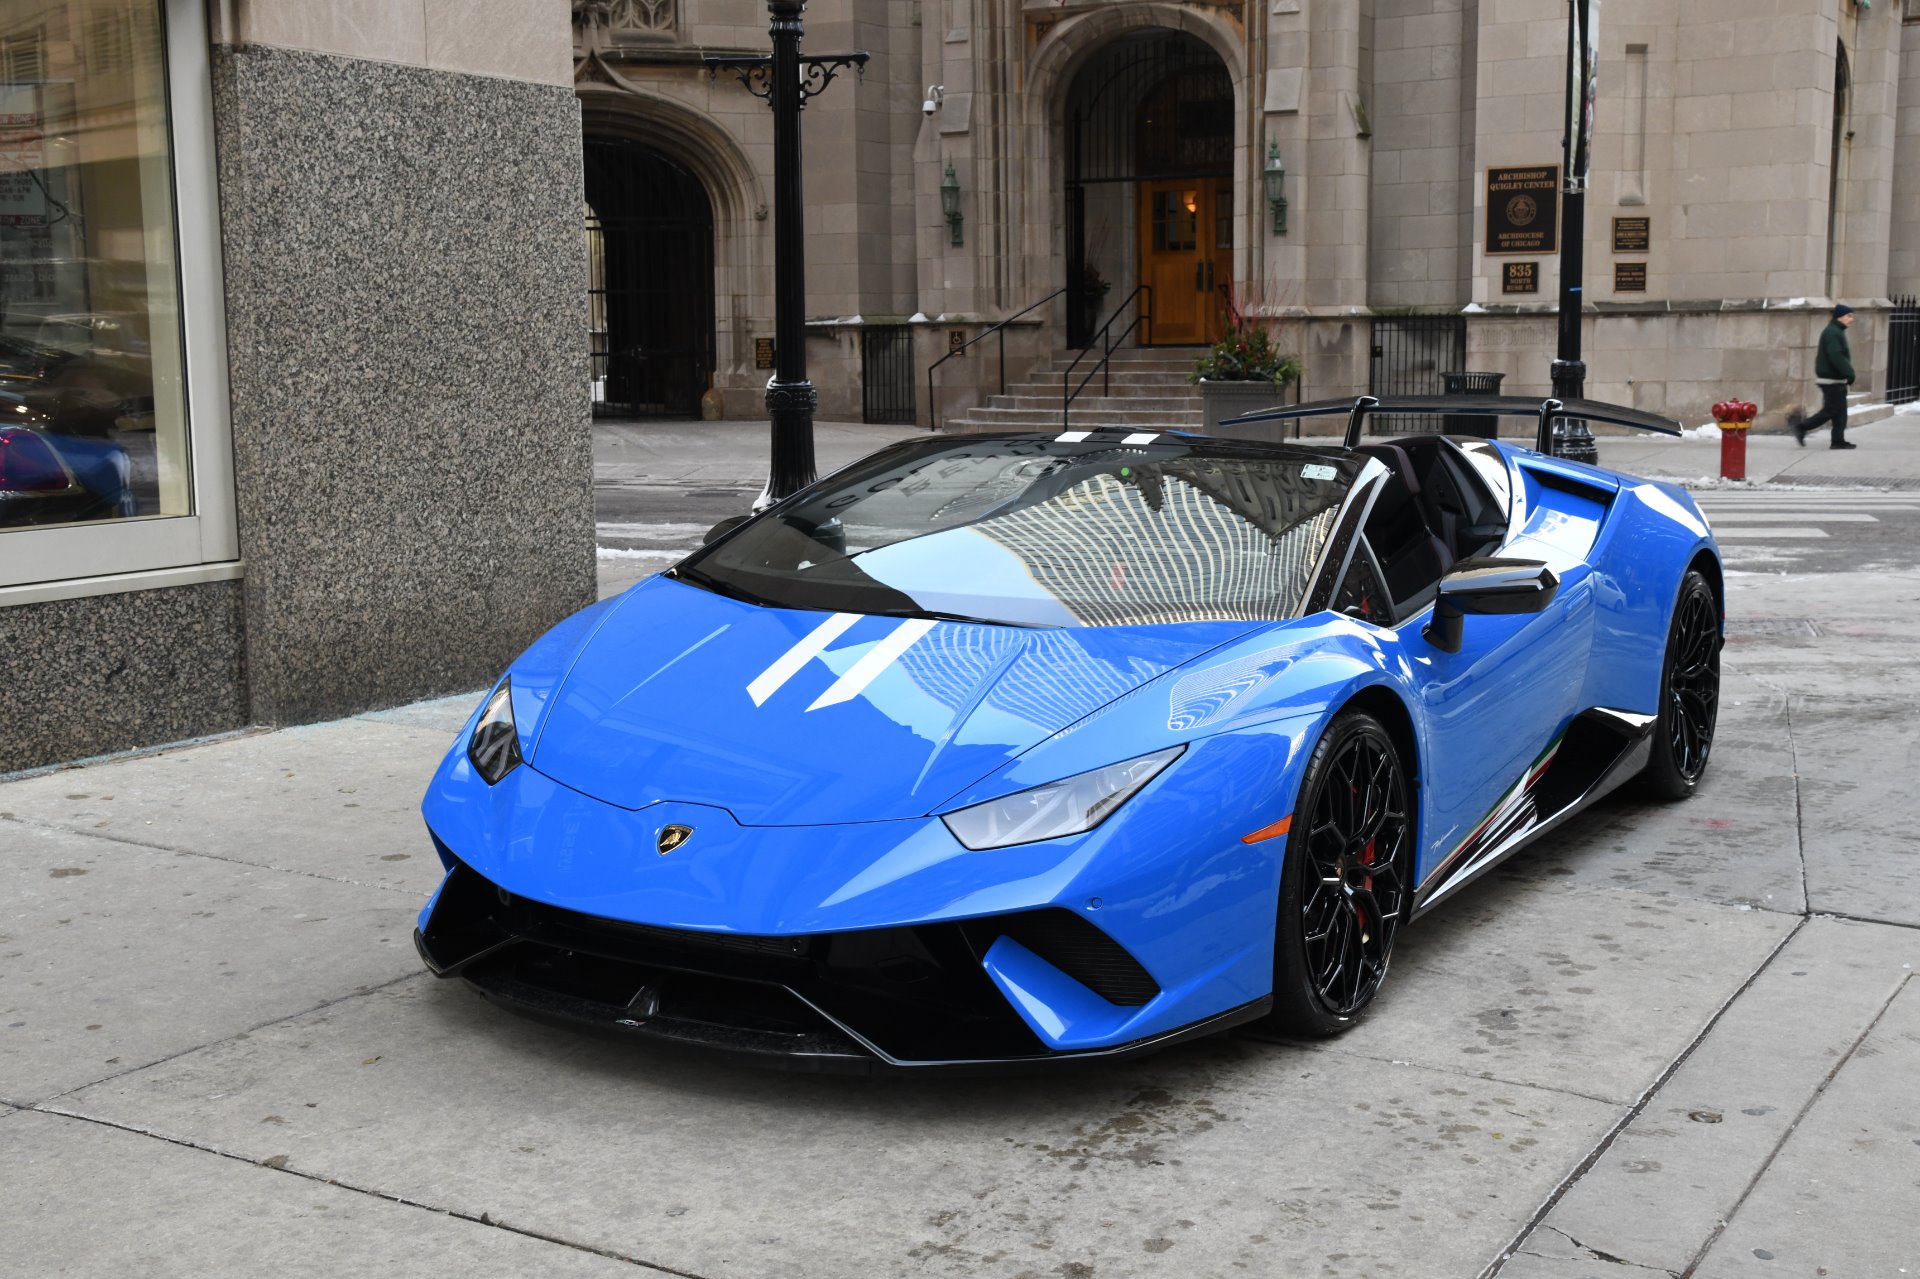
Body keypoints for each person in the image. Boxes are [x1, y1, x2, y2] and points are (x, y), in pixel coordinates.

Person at [1792, 304, 1858, 449]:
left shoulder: (1836, 331)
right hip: (1831, 381)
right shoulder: (1833, 332)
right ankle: (1802, 427)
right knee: (1830, 410)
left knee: (1840, 413)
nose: (1851, 319)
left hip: (1835, 380)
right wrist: (1849, 373)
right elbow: (1836, 355)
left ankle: (1838, 441)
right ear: (1839, 316)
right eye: (1849, 316)